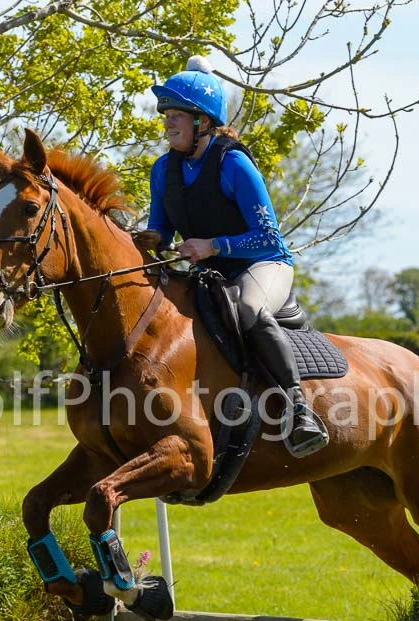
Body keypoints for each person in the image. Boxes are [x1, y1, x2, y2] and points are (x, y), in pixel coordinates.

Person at [137, 55, 328, 458]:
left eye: (176, 116)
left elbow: (268, 236)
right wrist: (145, 239)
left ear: (203, 121)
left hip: (263, 264)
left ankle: (299, 409)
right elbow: (161, 229)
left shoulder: (233, 163)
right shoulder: (162, 170)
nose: (168, 124)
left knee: (249, 309)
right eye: (166, 116)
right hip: (211, 275)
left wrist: (212, 246)